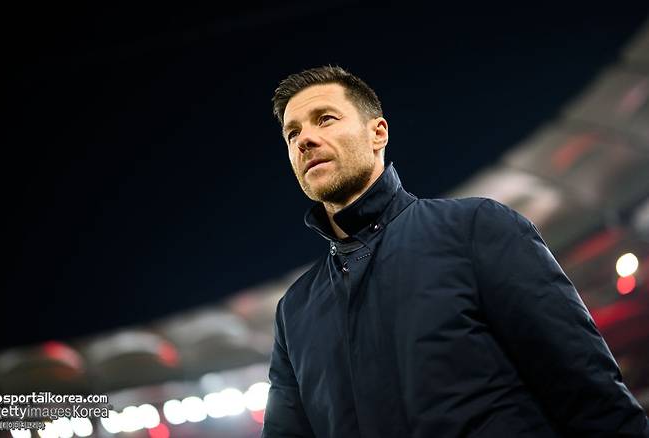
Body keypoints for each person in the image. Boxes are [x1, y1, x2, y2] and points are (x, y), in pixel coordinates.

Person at [261, 65, 649, 437]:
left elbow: (585, 386)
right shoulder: (294, 312)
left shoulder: (474, 228)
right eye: (292, 134)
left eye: (325, 119)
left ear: (377, 133)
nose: (304, 139)